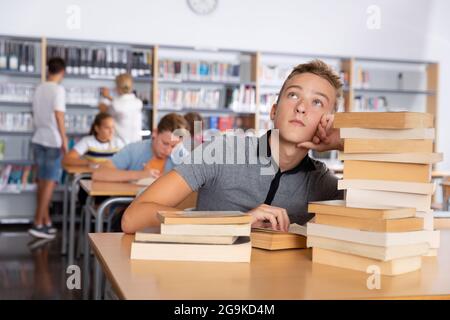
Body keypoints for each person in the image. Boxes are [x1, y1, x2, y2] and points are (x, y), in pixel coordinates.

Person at [121, 60, 345, 234]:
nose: (301, 107)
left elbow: (377, 225)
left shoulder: (322, 181)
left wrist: (345, 143)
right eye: (293, 95)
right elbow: (132, 217)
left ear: (328, 120)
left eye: (317, 102)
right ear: (274, 111)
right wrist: (236, 222)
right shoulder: (222, 150)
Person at [29, 57, 68, 239]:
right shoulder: (58, 89)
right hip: (53, 140)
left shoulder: (39, 87)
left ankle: (45, 222)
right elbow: (59, 116)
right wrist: (64, 139)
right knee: (50, 182)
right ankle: (37, 222)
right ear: (63, 72)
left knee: (42, 182)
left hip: (38, 138)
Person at [92, 113, 189, 182]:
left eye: (174, 146)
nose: (168, 151)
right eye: (165, 143)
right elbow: (99, 173)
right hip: (128, 205)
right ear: (155, 133)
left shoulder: (183, 155)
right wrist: (140, 175)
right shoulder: (134, 149)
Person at [99, 73, 143, 144]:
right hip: (137, 143)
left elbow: (104, 113)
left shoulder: (115, 105)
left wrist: (103, 99)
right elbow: (123, 104)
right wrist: (108, 97)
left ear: (117, 88)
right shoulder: (138, 102)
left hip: (121, 144)